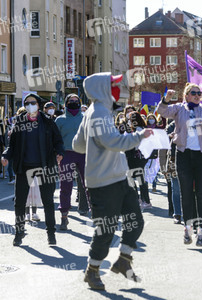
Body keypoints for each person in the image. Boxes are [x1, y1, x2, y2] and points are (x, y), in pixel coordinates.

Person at [72, 73, 153, 290]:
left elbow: (77, 145)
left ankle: (123, 260)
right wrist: (139, 136)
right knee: (106, 231)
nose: (117, 88)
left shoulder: (96, 111)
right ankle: (92, 271)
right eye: (114, 85)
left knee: (135, 221)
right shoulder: (98, 113)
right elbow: (112, 142)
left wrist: (92, 144)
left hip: (118, 177)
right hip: (103, 182)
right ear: (102, 89)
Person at [156, 83, 202, 247]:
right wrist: (166, 99)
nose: (197, 95)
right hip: (184, 155)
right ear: (186, 95)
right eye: (193, 93)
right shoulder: (179, 108)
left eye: (199, 93)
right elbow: (161, 112)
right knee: (186, 194)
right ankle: (188, 230)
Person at [1, 93, 64, 246]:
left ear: (38, 104)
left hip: (45, 165)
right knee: (19, 202)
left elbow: (58, 141)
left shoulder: (48, 122)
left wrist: (60, 153)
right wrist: (5, 155)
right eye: (27, 103)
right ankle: (19, 232)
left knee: (48, 201)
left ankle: (51, 233)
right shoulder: (20, 122)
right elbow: (12, 145)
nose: (30, 105)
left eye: (33, 102)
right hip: (24, 167)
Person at [55, 94, 89, 229]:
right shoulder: (60, 120)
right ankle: (64, 216)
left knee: (90, 184)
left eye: (76, 101)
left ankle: (97, 215)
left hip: (84, 154)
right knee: (66, 185)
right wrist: (57, 153)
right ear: (66, 103)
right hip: (66, 154)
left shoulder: (86, 118)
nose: (74, 102)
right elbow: (55, 139)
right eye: (71, 101)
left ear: (80, 103)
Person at [125, 111, 152, 210]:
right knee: (133, 178)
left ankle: (145, 200)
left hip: (136, 157)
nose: (129, 122)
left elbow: (136, 144)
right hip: (134, 157)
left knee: (138, 179)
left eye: (130, 120)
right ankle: (139, 199)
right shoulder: (135, 129)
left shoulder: (139, 129)